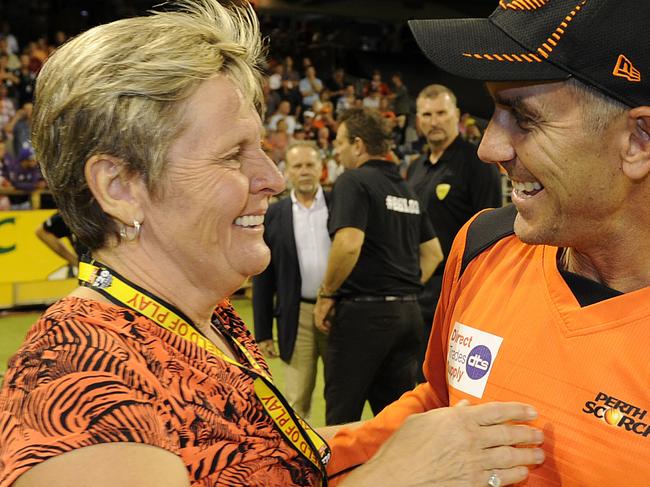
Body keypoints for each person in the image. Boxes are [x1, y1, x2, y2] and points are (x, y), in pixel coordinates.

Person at [0, 2, 544, 486]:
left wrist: (411, 435)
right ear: (120, 188)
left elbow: (267, 462)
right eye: (233, 155)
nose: (273, 179)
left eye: (259, 148)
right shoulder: (77, 379)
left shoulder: (201, 321)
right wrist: (396, 474)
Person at [326, 0, 650, 485]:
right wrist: (287, 459)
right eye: (494, 110)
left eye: (524, 117)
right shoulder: (484, 243)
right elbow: (441, 401)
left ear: (638, 141)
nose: (488, 148)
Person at [314, 107, 443, 426]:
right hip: (408, 316)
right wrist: (401, 286)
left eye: (340, 142)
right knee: (394, 421)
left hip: (364, 317)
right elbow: (433, 253)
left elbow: (348, 243)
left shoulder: (352, 180)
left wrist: (327, 294)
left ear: (358, 144)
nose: (337, 149)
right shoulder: (405, 188)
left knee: (342, 419)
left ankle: (342, 478)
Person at [407, 83, 502, 379]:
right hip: (418, 289)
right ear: (418, 120)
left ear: (457, 116)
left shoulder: (478, 163)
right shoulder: (415, 168)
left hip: (455, 291)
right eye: (427, 114)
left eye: (441, 113)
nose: (434, 120)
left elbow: (491, 230)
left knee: (447, 379)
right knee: (416, 379)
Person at [253, 142, 330, 420]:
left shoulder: (340, 203)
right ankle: (303, 462)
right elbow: (264, 277)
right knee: (297, 399)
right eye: (298, 166)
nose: (305, 171)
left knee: (342, 395)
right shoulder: (274, 214)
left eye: (310, 165)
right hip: (295, 316)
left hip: (337, 312)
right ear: (287, 172)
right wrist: (262, 333)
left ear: (321, 169)